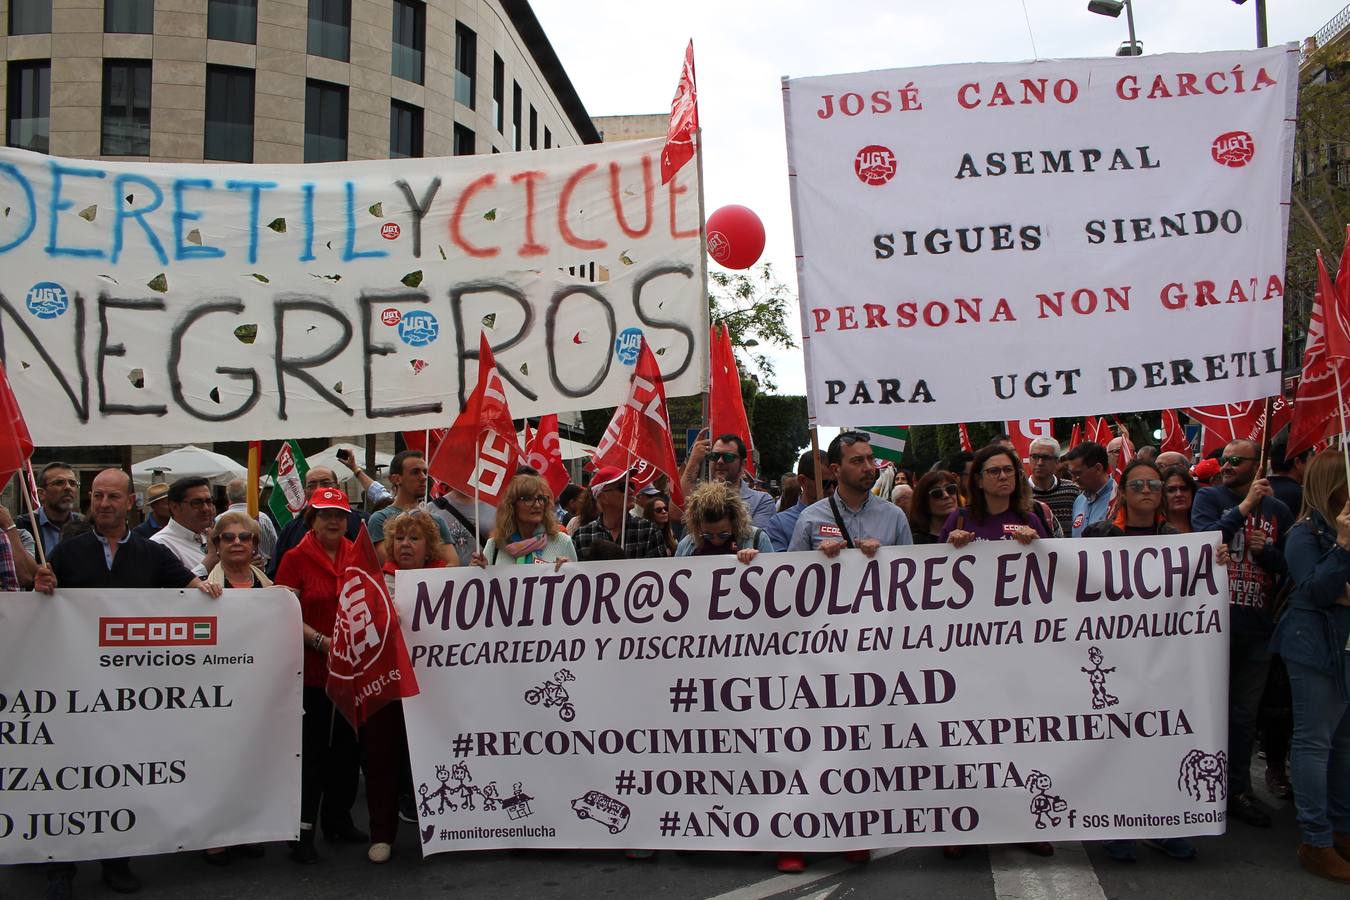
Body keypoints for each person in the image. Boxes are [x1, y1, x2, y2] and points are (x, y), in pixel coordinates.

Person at [34, 468, 220, 897]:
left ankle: (116, 862)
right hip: (75, 690)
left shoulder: (150, 554)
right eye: (97, 496)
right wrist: (40, 585)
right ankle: (59, 867)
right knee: (70, 776)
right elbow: (41, 609)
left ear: (130, 503)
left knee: (118, 776)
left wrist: (211, 593)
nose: (103, 504)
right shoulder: (67, 552)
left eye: (113, 496)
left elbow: (190, 586)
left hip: (128, 693)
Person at [938, 444, 1051, 860]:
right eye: (994, 471)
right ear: (979, 479)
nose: (1003, 477)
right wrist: (949, 545)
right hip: (968, 649)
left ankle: (1024, 821)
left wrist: (1036, 545)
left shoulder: (1030, 519)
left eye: (1009, 470)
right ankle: (964, 824)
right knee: (967, 739)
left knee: (1019, 737)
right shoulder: (961, 518)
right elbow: (932, 579)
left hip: (1018, 649)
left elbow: (1056, 575)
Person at [1191, 439, 1295, 828]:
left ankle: (1236, 790)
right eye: (1224, 459)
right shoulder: (1208, 499)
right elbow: (1204, 540)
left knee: (1242, 716)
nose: (1227, 465)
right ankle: (1198, 787)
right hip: (1210, 627)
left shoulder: (1280, 510)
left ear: (1258, 464)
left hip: (1256, 628)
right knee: (1203, 710)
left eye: (1236, 460)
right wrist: (1245, 507)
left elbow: (1289, 565)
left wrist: (1266, 552)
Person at [273, 488, 368, 863]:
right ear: (311, 519)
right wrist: (321, 641)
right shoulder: (295, 558)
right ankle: (302, 830)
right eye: (326, 514)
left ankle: (338, 819)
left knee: (347, 750)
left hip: (351, 671)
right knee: (311, 752)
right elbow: (285, 611)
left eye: (340, 515)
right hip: (311, 670)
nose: (334, 521)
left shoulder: (357, 554)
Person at [1271, 450, 1350, 883]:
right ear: (1334, 484)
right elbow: (1319, 590)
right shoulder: (1306, 534)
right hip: (1313, 648)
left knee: (1343, 744)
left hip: (1342, 648)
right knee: (1315, 744)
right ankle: (1316, 839)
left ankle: (1342, 828)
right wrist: (1341, 548)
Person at [365, 510, 452, 865]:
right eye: (399, 538)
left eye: (413, 538)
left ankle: (450, 828)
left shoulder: (447, 579)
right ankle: (382, 835)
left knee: (437, 758)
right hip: (386, 687)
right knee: (382, 759)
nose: (404, 544)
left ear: (428, 545)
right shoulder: (372, 581)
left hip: (435, 688)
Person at [789, 432, 912, 557]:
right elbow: (794, 571)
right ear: (836, 470)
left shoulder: (895, 517)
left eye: (870, 459)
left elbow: (910, 568)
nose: (869, 467)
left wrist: (883, 556)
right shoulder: (809, 518)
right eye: (857, 461)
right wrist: (818, 559)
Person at [268, 466, 368, 578]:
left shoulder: (361, 524)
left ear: (338, 487)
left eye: (326, 483)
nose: (319, 489)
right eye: (324, 516)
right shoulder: (291, 532)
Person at [367, 451, 457, 563]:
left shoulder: (436, 521)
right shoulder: (380, 519)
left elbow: (452, 563)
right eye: (415, 472)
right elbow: (389, 563)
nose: (424, 477)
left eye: (425, 472)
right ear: (396, 479)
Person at [474, 475, 577, 566]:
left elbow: (576, 584)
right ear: (512, 505)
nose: (537, 505)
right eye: (528, 499)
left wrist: (569, 570)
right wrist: (480, 571)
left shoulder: (562, 542)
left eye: (541, 498)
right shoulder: (495, 545)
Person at [681, 431, 776, 529]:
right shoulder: (698, 496)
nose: (720, 461)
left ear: (743, 464)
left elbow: (752, 539)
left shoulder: (761, 501)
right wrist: (693, 460)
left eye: (728, 457)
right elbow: (677, 515)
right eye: (715, 456)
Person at [572, 467, 669, 559]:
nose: (631, 491)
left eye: (631, 485)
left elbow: (660, 572)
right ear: (603, 497)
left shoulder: (649, 531)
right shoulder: (582, 536)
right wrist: (565, 566)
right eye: (623, 487)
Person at [674, 481, 773, 559]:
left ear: (735, 522)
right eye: (708, 535)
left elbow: (772, 577)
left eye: (723, 534)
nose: (716, 540)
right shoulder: (686, 545)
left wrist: (758, 561)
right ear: (698, 526)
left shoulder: (757, 539)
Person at [149, 476, 217, 578]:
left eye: (208, 501)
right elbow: (169, 589)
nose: (206, 508)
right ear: (175, 507)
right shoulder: (159, 545)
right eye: (196, 503)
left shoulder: (209, 536)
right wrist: (209, 562)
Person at [766, 450, 831, 552]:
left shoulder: (845, 516)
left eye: (836, 483)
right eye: (825, 483)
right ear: (803, 481)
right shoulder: (780, 523)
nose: (832, 489)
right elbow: (779, 565)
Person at [22, 461, 82, 557]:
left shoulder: (85, 525)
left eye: (72, 483)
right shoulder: (23, 526)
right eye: (59, 483)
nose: (68, 487)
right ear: (41, 493)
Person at [216, 477, 278, 568]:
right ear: (248, 494)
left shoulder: (219, 520)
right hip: (261, 569)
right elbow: (275, 548)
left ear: (227, 496)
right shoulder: (263, 518)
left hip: (258, 570)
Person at [207, 511, 272, 589]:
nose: (237, 542)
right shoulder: (203, 588)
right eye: (228, 537)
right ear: (217, 544)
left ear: (254, 544)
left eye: (245, 537)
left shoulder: (270, 587)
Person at [1028, 438, 1079, 536]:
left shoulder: (1072, 490)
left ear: (1057, 461)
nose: (1039, 462)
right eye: (1035, 456)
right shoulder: (1017, 493)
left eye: (1045, 458)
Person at [1064, 442, 1116, 536]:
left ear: (1098, 469)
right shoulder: (1078, 501)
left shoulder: (1118, 498)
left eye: (1078, 474)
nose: (1073, 480)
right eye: (1071, 474)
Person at [908, 471, 960, 544]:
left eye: (950, 489)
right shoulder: (913, 542)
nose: (946, 495)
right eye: (937, 493)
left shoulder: (972, 531)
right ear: (924, 502)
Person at [1268, 436, 1310, 521]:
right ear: (1297, 462)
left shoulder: (1258, 490)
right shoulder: (1302, 496)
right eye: (1309, 460)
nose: (1311, 466)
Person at [1162, 465, 1198, 534]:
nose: (1179, 494)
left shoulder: (1205, 523)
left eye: (1184, 489)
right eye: (1171, 490)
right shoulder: (1154, 527)